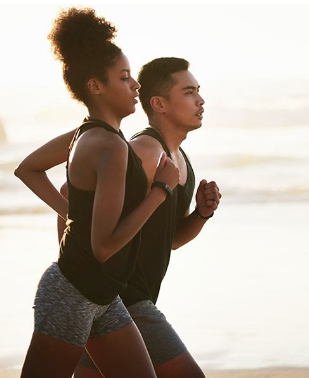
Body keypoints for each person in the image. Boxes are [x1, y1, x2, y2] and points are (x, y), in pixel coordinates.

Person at [15, 57, 221, 378]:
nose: (201, 100)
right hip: (125, 299)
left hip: (109, 306)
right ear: (159, 104)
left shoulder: (181, 162)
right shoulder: (145, 151)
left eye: (198, 91)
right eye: (189, 92)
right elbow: (73, 195)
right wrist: (80, 279)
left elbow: (171, 241)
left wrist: (202, 214)